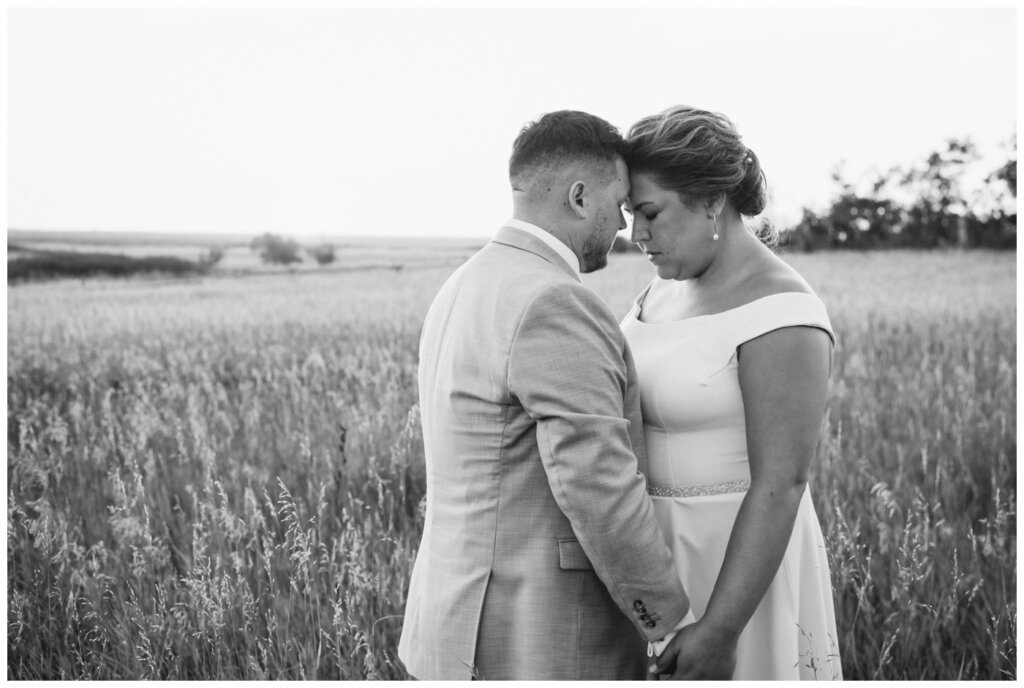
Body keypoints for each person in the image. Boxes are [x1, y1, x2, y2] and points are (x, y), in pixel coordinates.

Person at [398, 111, 703, 680]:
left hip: (451, 624)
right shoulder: (553, 300)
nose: (622, 224)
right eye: (619, 204)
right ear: (581, 197)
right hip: (533, 633)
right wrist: (666, 620)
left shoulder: (464, 283)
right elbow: (596, 482)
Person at [621, 105, 843, 680]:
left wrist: (720, 629)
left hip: (738, 575)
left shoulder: (783, 312)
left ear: (711, 200)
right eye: (628, 214)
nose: (635, 234)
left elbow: (782, 483)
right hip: (655, 564)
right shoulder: (660, 289)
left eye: (648, 213)